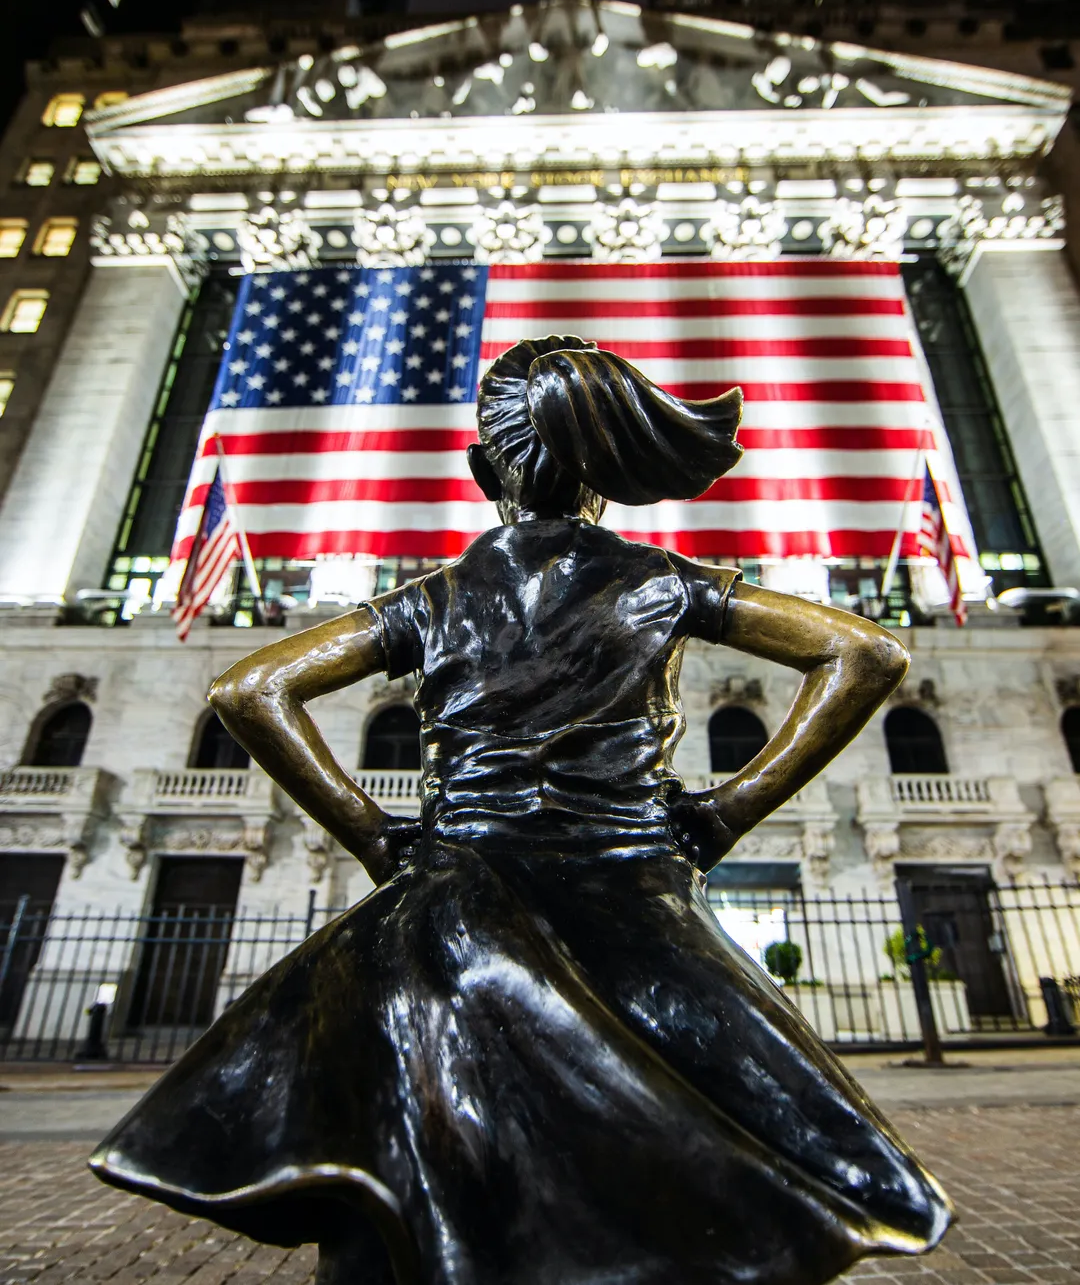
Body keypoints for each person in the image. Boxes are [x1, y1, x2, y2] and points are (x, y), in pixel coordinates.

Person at [91, 336, 952, 1285]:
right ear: (608, 479)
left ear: (478, 468)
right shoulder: (659, 580)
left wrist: (372, 834)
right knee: (716, 1161)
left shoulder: (438, 597)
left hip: (449, 905)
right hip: (632, 903)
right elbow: (866, 656)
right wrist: (724, 813)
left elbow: (252, 690)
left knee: (416, 1174)